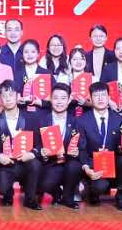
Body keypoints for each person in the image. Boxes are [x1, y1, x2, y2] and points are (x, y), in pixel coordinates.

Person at [33, 81, 84, 209]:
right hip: (51, 163)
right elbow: (36, 144)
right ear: (50, 99)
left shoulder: (76, 122)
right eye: (55, 98)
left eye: (63, 98)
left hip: (69, 161)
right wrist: (43, 153)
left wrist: (77, 152)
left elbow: (82, 145)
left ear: (69, 100)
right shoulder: (42, 120)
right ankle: (57, 192)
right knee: (45, 185)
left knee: (74, 166)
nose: (59, 102)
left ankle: (68, 198)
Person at [0, 79, 39, 205]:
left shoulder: (31, 118)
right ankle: (8, 193)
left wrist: (32, 153)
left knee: (35, 164)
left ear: (18, 96)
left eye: (11, 95)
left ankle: (30, 199)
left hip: (25, 162)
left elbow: (40, 143)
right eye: (4, 96)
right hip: (6, 164)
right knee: (2, 187)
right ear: (0, 99)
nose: (8, 99)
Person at [78, 83, 122, 208]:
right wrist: (87, 168)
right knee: (100, 186)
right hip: (94, 165)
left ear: (109, 97)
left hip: (114, 164)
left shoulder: (119, 119)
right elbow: (82, 148)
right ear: (90, 98)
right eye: (96, 96)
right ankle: (91, 189)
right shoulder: (82, 121)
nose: (100, 99)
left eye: (103, 95)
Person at [14, 39, 52, 112]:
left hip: (42, 114)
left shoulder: (46, 73)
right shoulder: (16, 74)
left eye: (33, 52)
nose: (29, 55)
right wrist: (17, 100)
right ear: (22, 54)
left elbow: (55, 98)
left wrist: (40, 102)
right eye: (26, 52)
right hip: (22, 114)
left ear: (38, 54)